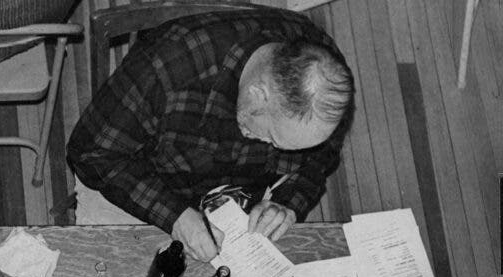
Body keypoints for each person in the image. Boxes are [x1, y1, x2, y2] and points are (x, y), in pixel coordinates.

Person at [67, 8, 354, 260]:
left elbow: (321, 158)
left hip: (240, 205)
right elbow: (90, 154)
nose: (289, 153)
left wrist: (289, 202)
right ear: (258, 95)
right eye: (274, 140)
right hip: (148, 185)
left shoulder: (325, 80)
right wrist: (174, 215)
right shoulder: (167, 69)